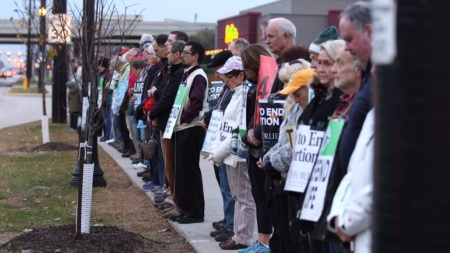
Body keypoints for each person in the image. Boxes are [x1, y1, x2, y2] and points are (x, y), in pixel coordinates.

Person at [259, 63, 313, 253]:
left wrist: (271, 162)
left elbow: (293, 147)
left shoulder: (310, 112)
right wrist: (269, 159)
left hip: (296, 180)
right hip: (285, 177)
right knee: (284, 230)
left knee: (297, 237)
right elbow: (285, 140)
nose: (294, 98)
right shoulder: (296, 109)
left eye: (297, 94)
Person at [208, 56, 256, 250]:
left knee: (244, 196)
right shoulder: (235, 93)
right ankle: (237, 234)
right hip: (230, 152)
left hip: (238, 153)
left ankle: (243, 237)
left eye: (230, 75)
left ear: (242, 74)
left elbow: (238, 127)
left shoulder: (246, 94)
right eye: (225, 75)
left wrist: (219, 150)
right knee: (237, 196)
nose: (226, 79)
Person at [238, 44, 274, 253]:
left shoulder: (265, 84)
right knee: (258, 196)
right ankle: (261, 240)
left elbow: (264, 112)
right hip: (251, 146)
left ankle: (266, 243)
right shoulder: (252, 85)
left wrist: (254, 132)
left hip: (261, 146)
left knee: (263, 197)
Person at [169, 41, 208, 224]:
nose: (182, 55)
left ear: (195, 56)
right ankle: (186, 209)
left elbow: (196, 103)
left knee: (190, 172)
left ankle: (195, 212)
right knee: (182, 172)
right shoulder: (187, 74)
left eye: (186, 52)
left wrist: (183, 118)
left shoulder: (198, 76)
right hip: (181, 128)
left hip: (190, 129)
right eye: (182, 52)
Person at [149, 40, 186, 214]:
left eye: (170, 51)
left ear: (177, 54)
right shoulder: (170, 70)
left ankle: (175, 201)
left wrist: (152, 112)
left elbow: (167, 96)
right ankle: (173, 198)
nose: (167, 53)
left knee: (172, 165)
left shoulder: (179, 73)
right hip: (165, 121)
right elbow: (163, 92)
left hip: (170, 122)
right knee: (168, 164)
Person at [204, 50, 236, 240]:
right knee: (224, 186)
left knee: (230, 189)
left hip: (227, 143)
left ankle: (231, 225)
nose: (218, 75)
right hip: (218, 139)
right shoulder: (226, 88)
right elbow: (217, 107)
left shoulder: (236, 90)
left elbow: (227, 113)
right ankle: (227, 220)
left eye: (220, 71)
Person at [98, 57, 112, 141]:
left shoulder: (105, 76)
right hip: (104, 100)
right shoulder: (103, 76)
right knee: (105, 119)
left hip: (107, 101)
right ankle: (107, 134)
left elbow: (102, 89)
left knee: (107, 119)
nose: (99, 67)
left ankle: (108, 135)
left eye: (100, 66)